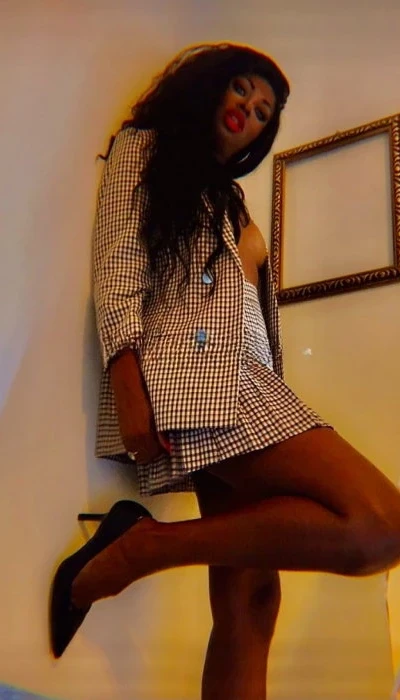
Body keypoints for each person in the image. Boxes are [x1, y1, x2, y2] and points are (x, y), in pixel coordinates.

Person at [49, 42, 400, 699]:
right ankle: (143, 548)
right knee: (381, 525)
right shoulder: (145, 148)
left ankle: (140, 547)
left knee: (251, 600)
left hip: (248, 379)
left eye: (264, 112)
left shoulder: (229, 198)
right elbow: (117, 262)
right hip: (199, 378)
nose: (250, 110)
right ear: (209, 85)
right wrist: (126, 382)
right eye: (243, 89)